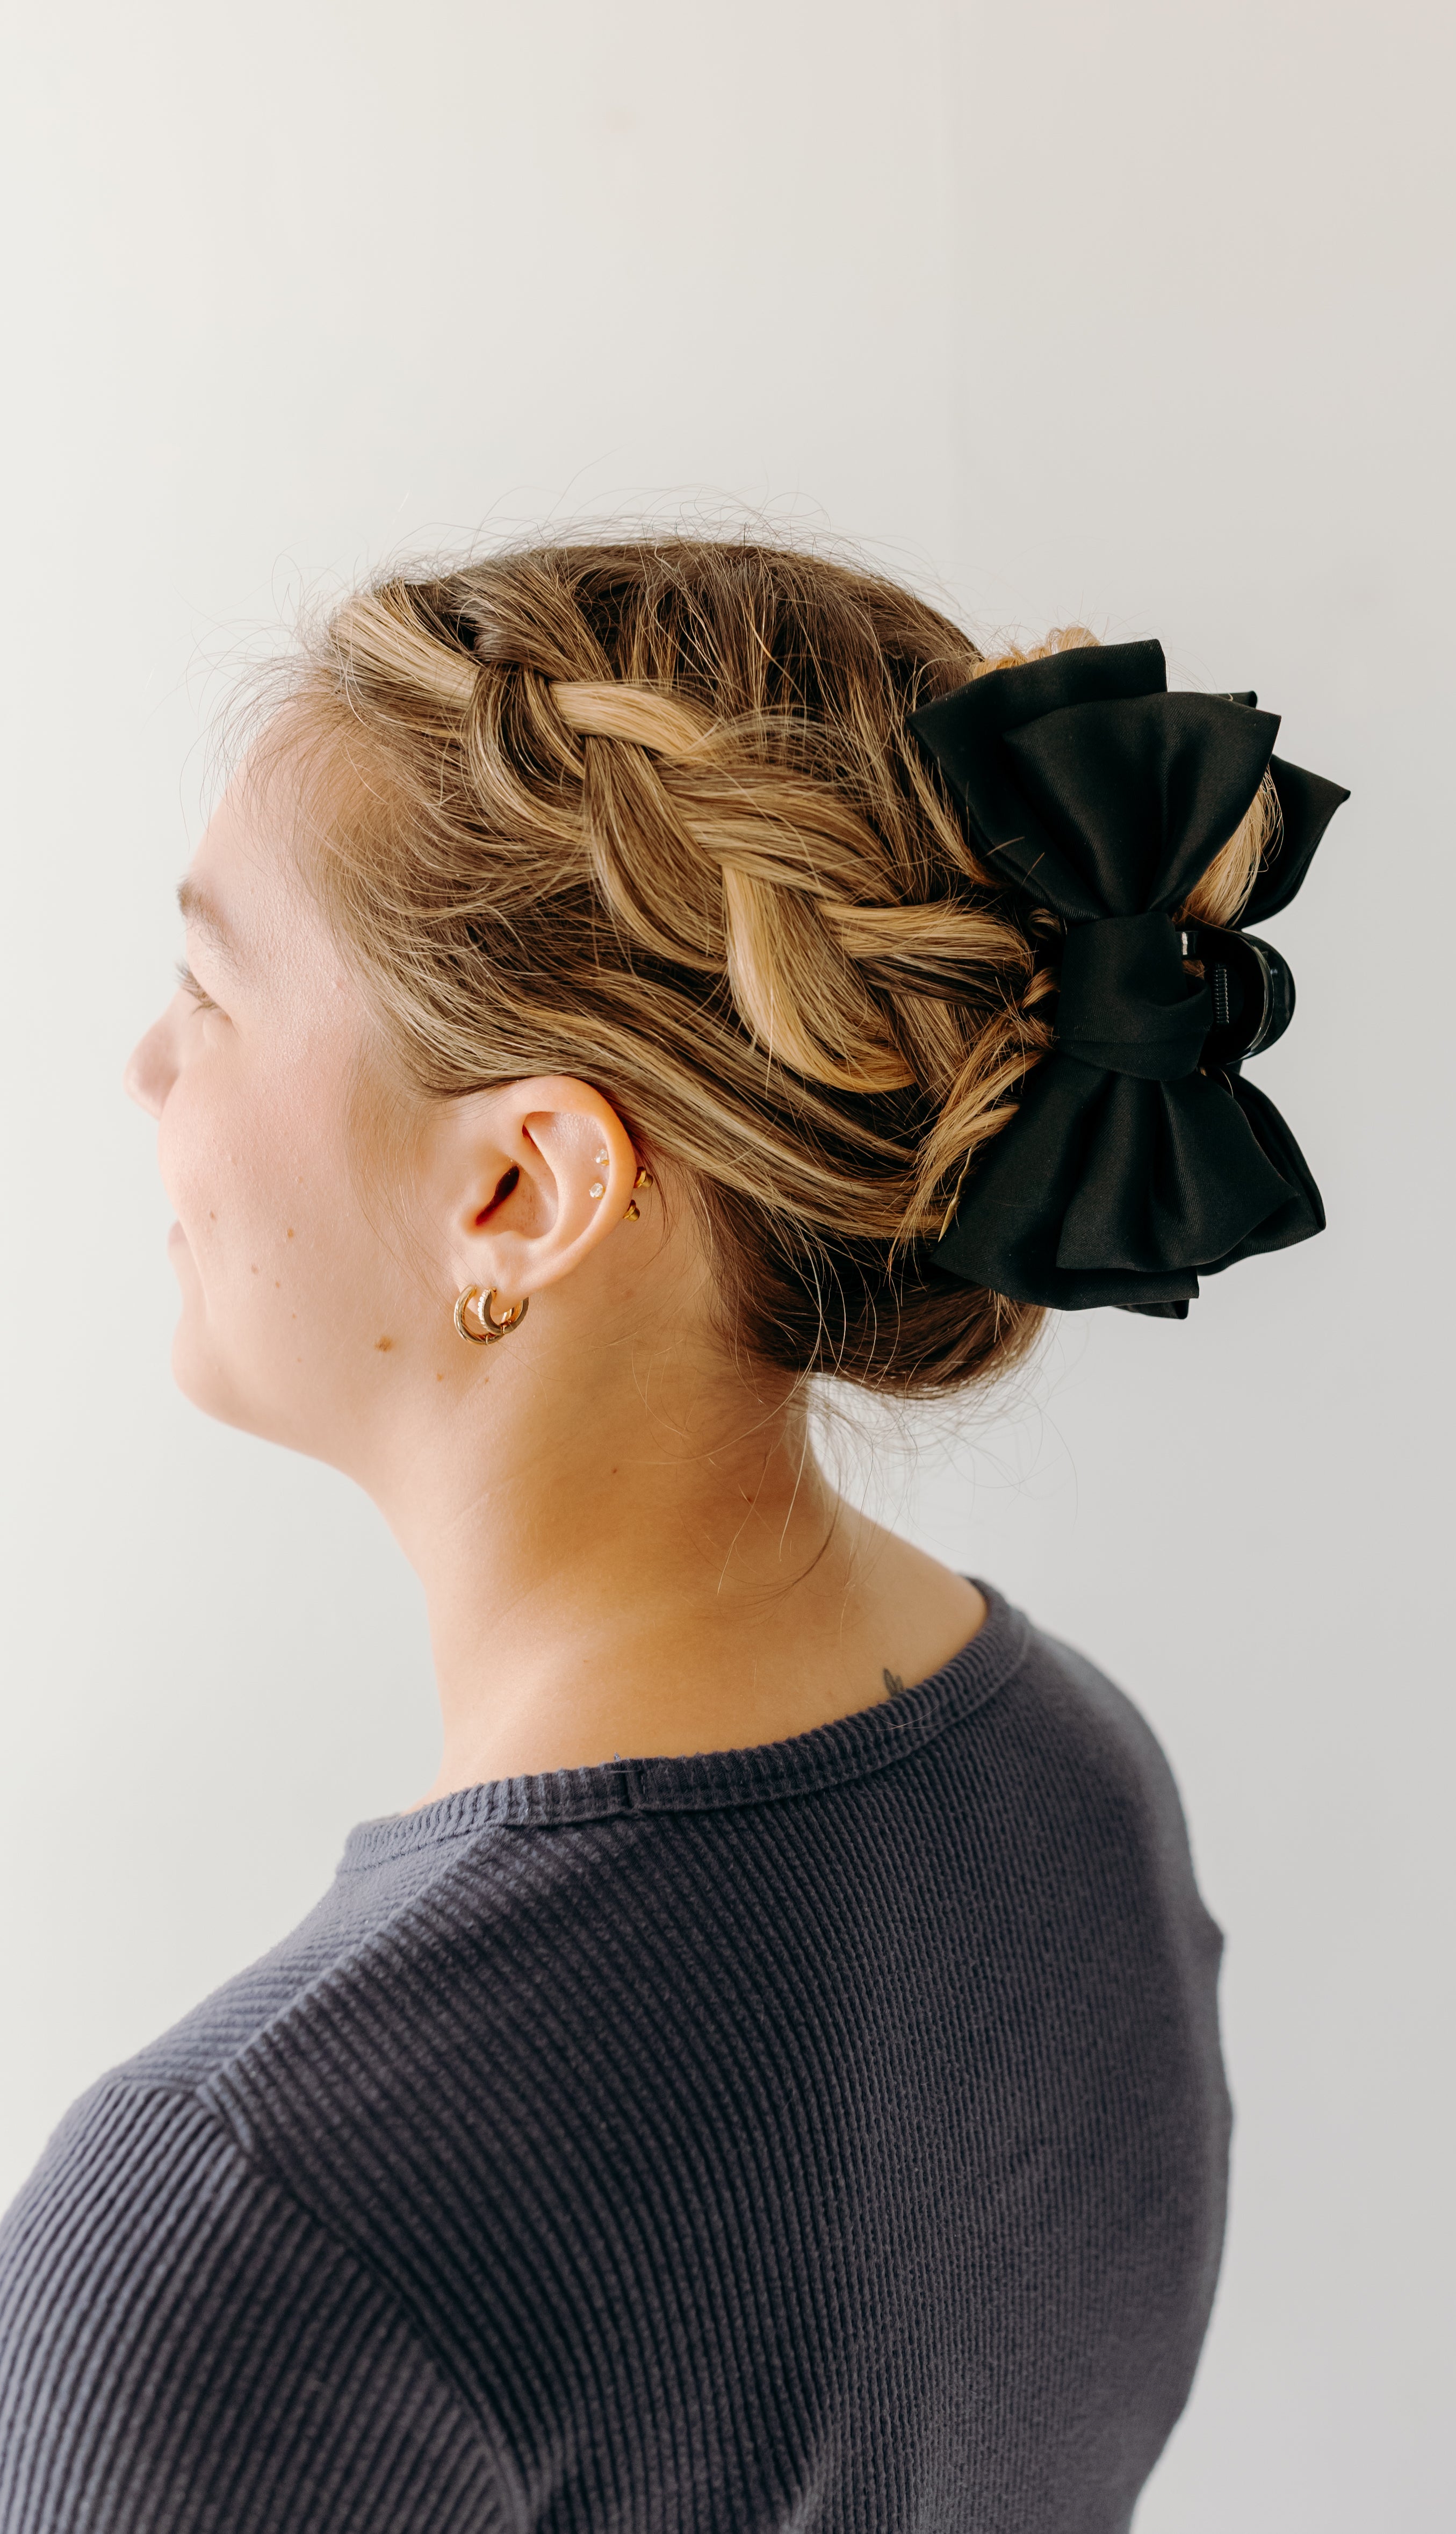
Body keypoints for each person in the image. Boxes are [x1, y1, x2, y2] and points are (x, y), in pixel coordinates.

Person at [0, 537, 1344, 2531]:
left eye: (208, 990)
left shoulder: (243, 2227)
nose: (143, 1068)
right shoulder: (1077, 1774)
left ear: (522, 1187)